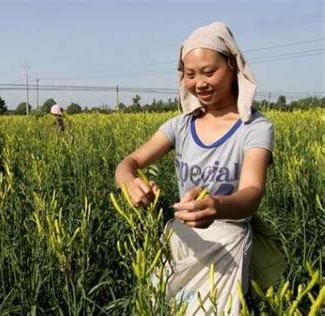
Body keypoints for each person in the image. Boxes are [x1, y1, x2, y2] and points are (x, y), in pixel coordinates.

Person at [114, 22, 274, 314]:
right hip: (179, 239)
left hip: (227, 245)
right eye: (190, 74)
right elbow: (129, 163)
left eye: (209, 72)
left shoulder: (255, 128)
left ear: (232, 67)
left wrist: (217, 206)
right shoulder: (180, 126)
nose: (199, 82)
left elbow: (253, 192)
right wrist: (128, 181)